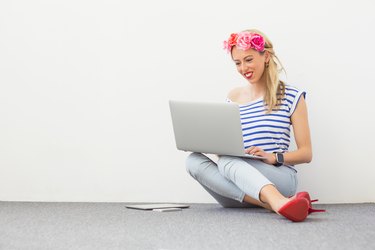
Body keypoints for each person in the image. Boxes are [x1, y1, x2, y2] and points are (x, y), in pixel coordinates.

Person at [185, 29, 325, 222]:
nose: (243, 68)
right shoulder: (232, 97)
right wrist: (219, 147)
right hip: (240, 188)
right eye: (237, 63)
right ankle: (275, 203)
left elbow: (306, 153)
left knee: (227, 162)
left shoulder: (292, 96)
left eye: (249, 59)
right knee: (193, 161)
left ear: (266, 56)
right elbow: (227, 147)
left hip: (279, 177)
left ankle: (276, 199)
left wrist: (273, 157)